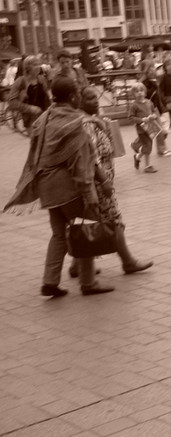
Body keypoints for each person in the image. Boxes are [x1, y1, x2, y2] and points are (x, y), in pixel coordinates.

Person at [4, 77, 115, 296]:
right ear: (73, 97)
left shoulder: (45, 118)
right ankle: (88, 282)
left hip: (47, 187)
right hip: (70, 189)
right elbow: (83, 164)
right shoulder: (75, 124)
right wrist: (91, 194)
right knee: (84, 228)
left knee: (59, 235)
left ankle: (50, 282)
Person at [72, 86, 153, 277]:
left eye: (95, 98)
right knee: (114, 220)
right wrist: (104, 181)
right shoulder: (87, 124)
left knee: (88, 221)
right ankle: (128, 261)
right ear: (80, 101)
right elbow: (91, 156)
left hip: (96, 181)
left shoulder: (92, 121)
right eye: (89, 98)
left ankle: (77, 265)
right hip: (98, 183)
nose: (95, 101)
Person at [128, 83, 160, 173]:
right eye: (136, 91)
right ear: (133, 94)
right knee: (148, 146)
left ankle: (137, 157)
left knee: (148, 146)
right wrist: (142, 119)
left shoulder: (149, 102)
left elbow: (154, 112)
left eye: (141, 91)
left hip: (150, 127)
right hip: (141, 129)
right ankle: (147, 166)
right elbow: (131, 117)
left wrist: (153, 116)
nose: (139, 93)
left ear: (145, 92)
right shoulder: (134, 105)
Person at [11, 56, 50, 128]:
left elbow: (47, 95)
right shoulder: (20, 81)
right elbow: (12, 102)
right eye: (35, 65)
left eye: (39, 64)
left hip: (46, 116)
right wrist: (30, 108)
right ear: (27, 68)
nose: (38, 66)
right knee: (37, 138)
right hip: (31, 120)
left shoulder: (42, 79)